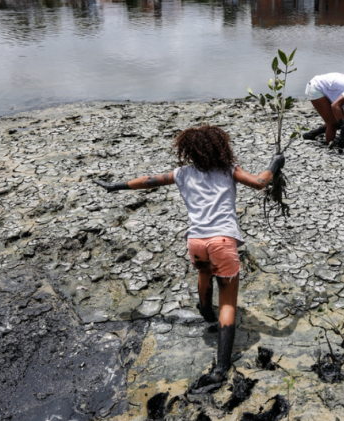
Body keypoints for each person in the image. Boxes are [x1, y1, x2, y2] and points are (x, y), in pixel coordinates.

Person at [93, 125, 285, 384]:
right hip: (222, 241)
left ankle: (205, 312)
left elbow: (149, 180)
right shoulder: (228, 170)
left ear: (189, 151)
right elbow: (260, 183)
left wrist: (114, 186)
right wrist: (274, 164)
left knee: (204, 272)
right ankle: (221, 368)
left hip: (196, 242)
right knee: (228, 303)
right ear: (221, 147)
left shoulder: (182, 173)